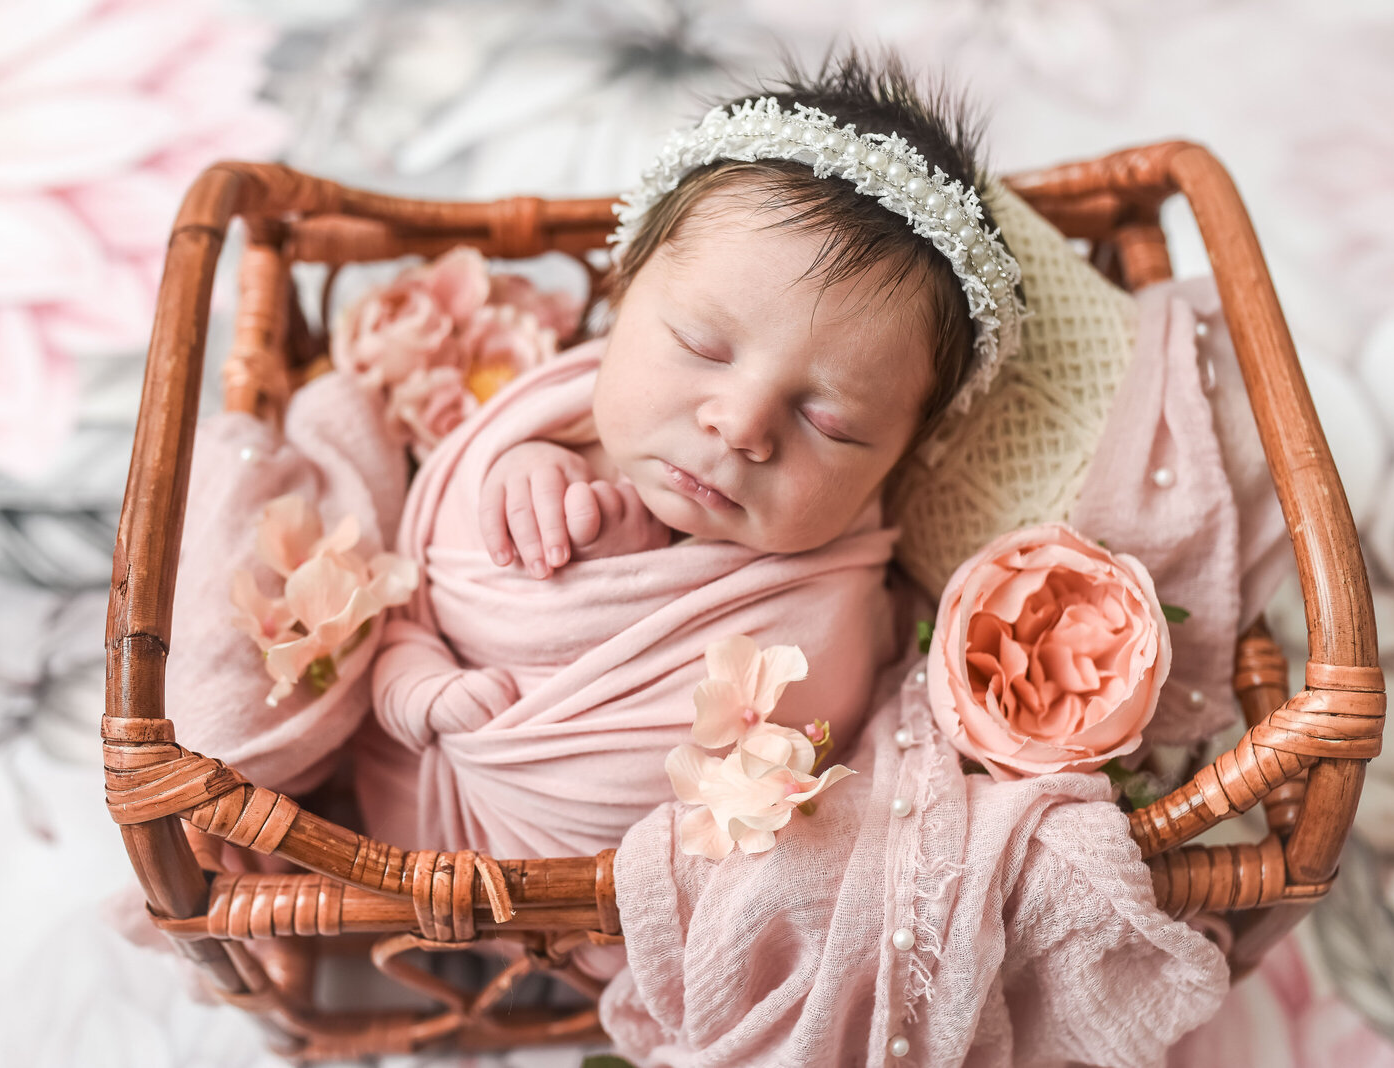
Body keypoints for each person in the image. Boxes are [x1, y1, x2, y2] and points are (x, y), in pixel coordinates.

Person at [356, 49, 1027, 862]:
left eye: (832, 422)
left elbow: (766, 788)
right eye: (702, 347)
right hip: (410, 777)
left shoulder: (830, 616)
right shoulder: (550, 417)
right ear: (620, 292)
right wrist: (515, 473)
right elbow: (432, 556)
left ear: (899, 459)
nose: (741, 425)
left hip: (592, 883)